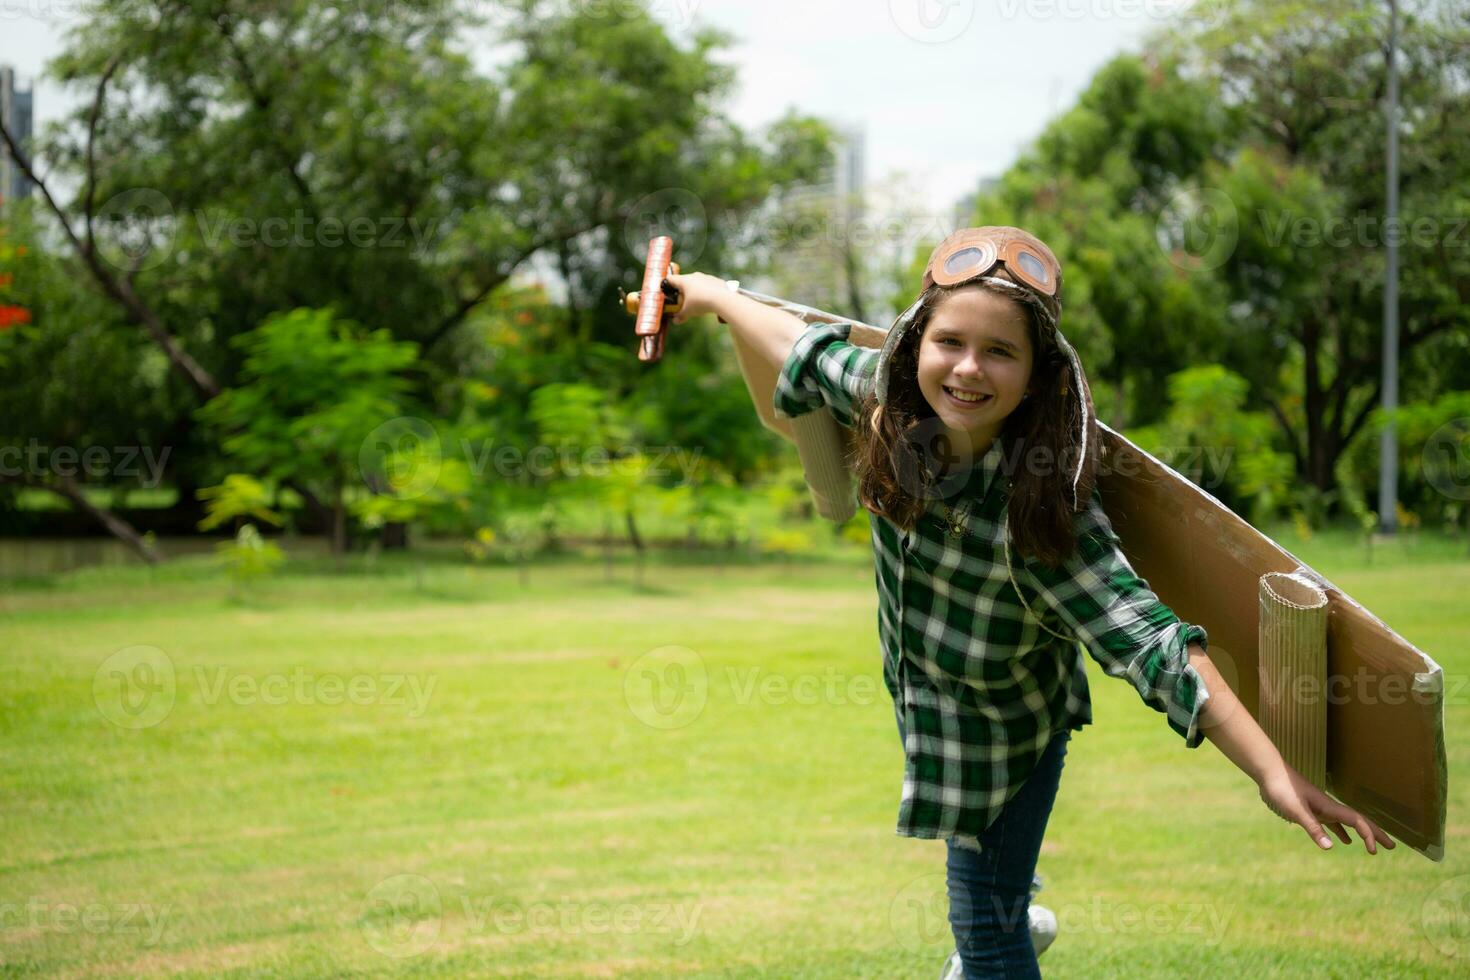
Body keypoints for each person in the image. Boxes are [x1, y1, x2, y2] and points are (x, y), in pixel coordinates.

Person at [665, 226, 1394, 978]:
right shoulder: (889, 402)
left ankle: (1003, 929)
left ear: (1039, 374)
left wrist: (1273, 771)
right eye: (950, 341)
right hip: (939, 713)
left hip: (1008, 742)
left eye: (1000, 352)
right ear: (916, 343)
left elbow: (1156, 645)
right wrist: (716, 295)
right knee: (989, 905)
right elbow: (800, 348)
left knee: (983, 925)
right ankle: (1013, 912)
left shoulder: (1044, 519)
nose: (968, 369)